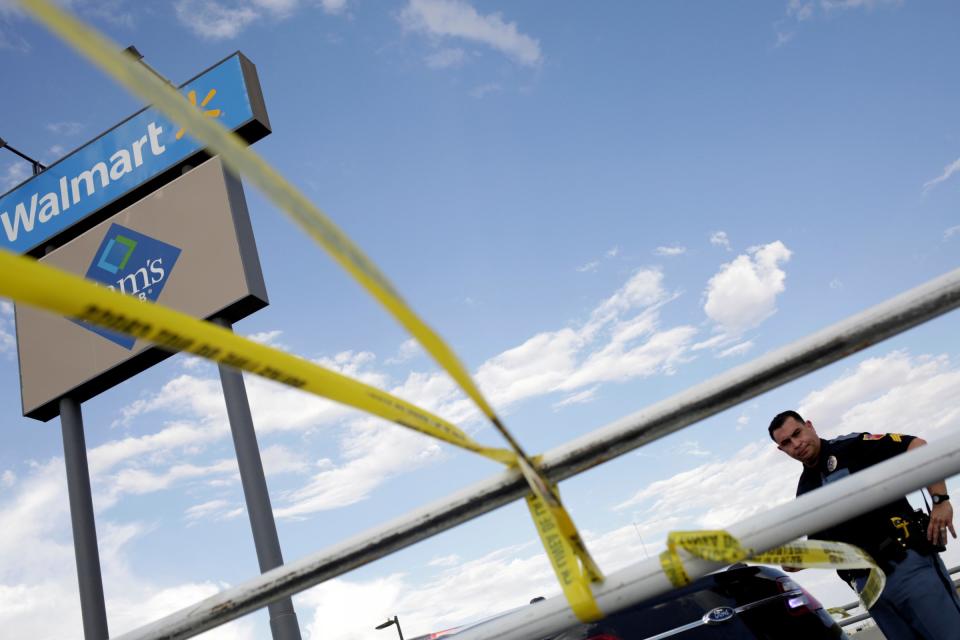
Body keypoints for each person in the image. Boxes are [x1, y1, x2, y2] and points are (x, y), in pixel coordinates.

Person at [769, 410, 960, 640]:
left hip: (906, 566)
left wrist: (940, 500)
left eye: (797, 433)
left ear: (809, 425)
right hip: (869, 589)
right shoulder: (805, 491)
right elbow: (823, 547)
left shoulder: (852, 447)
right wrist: (792, 562)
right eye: (787, 443)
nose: (796, 444)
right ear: (782, 450)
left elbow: (917, 446)